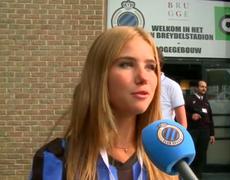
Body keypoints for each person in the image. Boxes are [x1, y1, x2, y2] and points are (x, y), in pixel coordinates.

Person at [29, 26, 179, 180]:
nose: (143, 77)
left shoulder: (165, 160)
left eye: (151, 67)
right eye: (126, 64)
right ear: (99, 75)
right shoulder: (55, 160)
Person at [185, 80, 215, 179]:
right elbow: (182, 113)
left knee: (201, 155)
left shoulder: (206, 101)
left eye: (205, 87)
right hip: (193, 131)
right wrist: (191, 115)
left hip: (205, 132)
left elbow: (210, 118)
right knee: (192, 154)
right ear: (197, 88)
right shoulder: (189, 99)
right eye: (202, 87)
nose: (204, 89)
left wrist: (212, 134)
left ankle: (198, 176)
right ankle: (190, 176)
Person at [158, 49, 187, 128]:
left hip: (164, 136)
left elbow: (183, 124)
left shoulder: (172, 86)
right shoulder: (142, 84)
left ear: (159, 64)